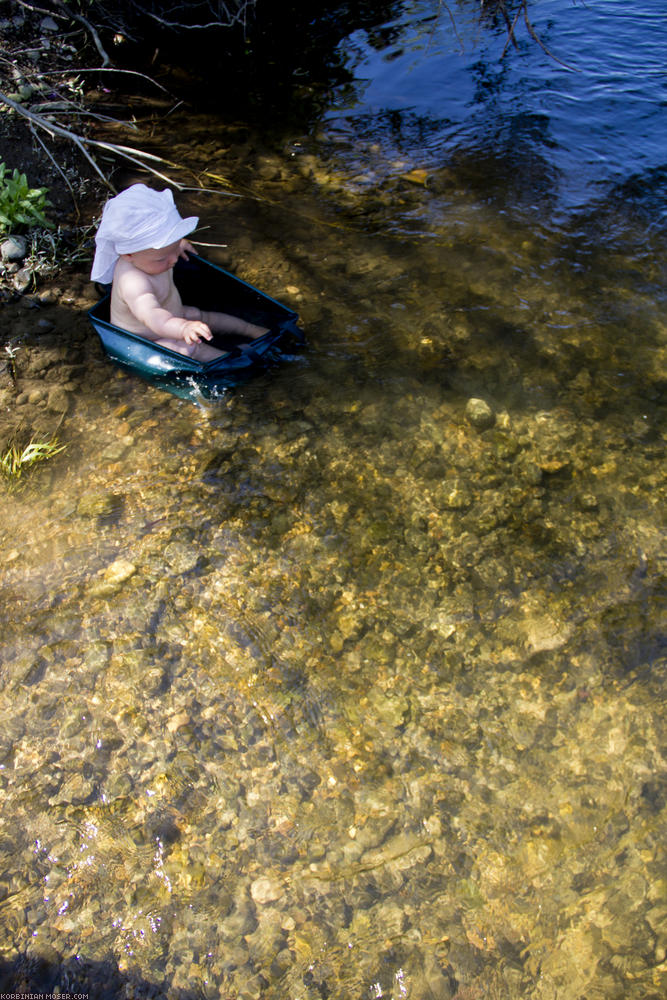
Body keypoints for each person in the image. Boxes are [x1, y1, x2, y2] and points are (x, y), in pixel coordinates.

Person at [91, 184, 267, 361]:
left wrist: (177, 245)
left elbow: (167, 249)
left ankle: (250, 330)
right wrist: (183, 328)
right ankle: (231, 362)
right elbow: (154, 317)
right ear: (128, 254)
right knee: (186, 347)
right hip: (148, 340)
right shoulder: (133, 282)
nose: (174, 260)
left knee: (197, 315)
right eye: (163, 258)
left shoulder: (151, 256)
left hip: (173, 315)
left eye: (174, 249)